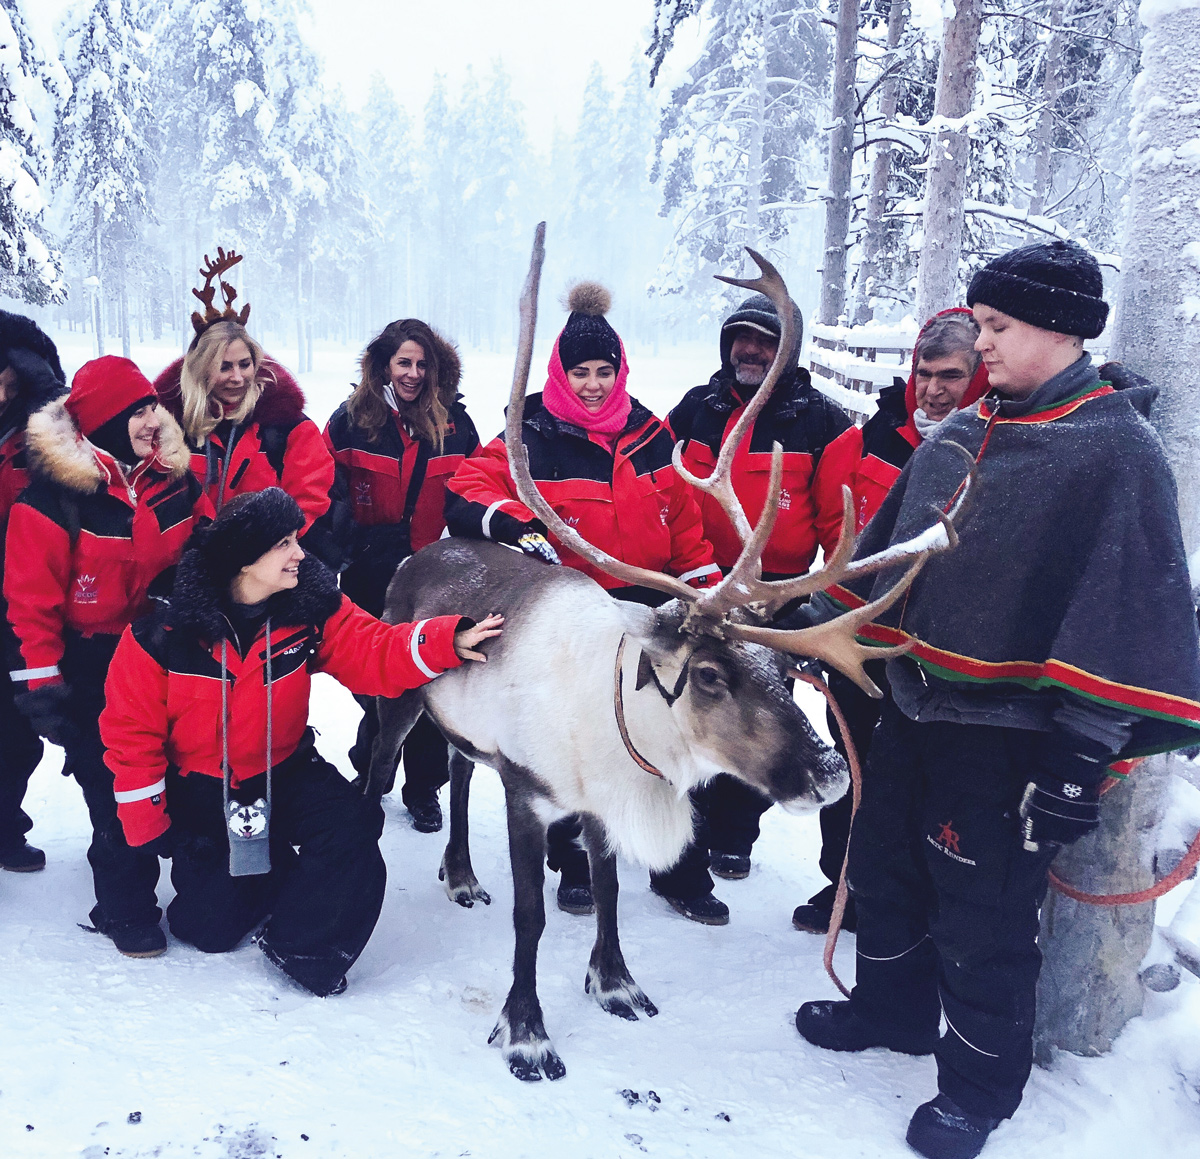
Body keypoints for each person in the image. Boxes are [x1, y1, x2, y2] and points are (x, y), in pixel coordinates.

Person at [794, 240, 1200, 1159]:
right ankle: (894, 1010)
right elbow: (886, 560)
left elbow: (1123, 614)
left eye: (996, 326)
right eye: (979, 324)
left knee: (983, 913)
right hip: (916, 707)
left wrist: (1080, 754)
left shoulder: (1115, 453)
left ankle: (979, 1085)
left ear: (1061, 328)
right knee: (885, 862)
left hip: (1010, 739)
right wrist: (813, 620)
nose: (981, 346)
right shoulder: (963, 435)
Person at [99, 488, 502, 996]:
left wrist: (445, 639)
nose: (300, 554)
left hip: (283, 767)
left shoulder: (310, 607)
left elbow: (373, 649)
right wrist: (149, 820)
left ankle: (304, 948)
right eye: (284, 543)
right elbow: (130, 736)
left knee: (352, 827)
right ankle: (256, 874)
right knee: (210, 930)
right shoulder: (163, 630)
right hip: (199, 784)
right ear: (243, 560)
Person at [446, 281, 725, 922]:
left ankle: (679, 867)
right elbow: (467, 488)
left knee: (671, 734)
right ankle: (573, 861)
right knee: (577, 744)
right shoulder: (531, 430)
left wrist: (706, 591)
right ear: (560, 373)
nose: (595, 385)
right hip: (573, 618)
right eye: (581, 372)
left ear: (620, 369)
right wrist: (516, 524)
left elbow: (682, 522)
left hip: (652, 612)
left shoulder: (650, 432)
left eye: (605, 371)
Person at [791, 309, 990, 935]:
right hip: (858, 640)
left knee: (927, 782)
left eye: (951, 376)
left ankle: (918, 901)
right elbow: (831, 524)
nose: (933, 390)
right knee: (856, 769)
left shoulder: (997, 444)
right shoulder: (864, 442)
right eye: (925, 374)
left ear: (978, 374)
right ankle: (845, 887)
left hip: (942, 651)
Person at [5, 356, 209, 956]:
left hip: (162, 654)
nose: (154, 418)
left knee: (175, 770)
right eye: (138, 410)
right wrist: (43, 692)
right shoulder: (50, 503)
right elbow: (29, 605)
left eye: (153, 404)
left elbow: (203, 551)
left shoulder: (175, 480)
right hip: (90, 665)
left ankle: (199, 888)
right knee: (117, 785)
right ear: (106, 423)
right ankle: (124, 907)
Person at [667, 291, 853, 884]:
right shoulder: (697, 408)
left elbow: (836, 525)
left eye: (764, 340)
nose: (750, 349)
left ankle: (735, 831)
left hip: (776, 602)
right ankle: (684, 840)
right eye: (740, 338)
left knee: (762, 718)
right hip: (699, 591)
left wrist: (813, 603)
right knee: (691, 715)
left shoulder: (821, 421)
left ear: (786, 350)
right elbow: (659, 485)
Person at [321, 319, 481, 832]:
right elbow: (326, 489)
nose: (412, 374)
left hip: (433, 577)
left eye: (421, 364)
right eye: (403, 363)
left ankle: (421, 787)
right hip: (369, 574)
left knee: (430, 677)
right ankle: (372, 764)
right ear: (383, 365)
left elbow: (474, 490)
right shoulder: (350, 422)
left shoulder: (457, 426)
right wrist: (348, 543)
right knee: (376, 680)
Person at [154, 256, 335, 560]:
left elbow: (308, 500)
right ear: (200, 369)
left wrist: (260, 553)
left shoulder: (287, 426)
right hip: (192, 562)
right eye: (224, 367)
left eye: (244, 364)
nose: (237, 377)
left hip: (267, 565)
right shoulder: (170, 425)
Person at [0, 313, 68, 872]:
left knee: (18, 730)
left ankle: (3, 827)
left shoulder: (41, 440)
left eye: (8, 384)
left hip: (18, 604)